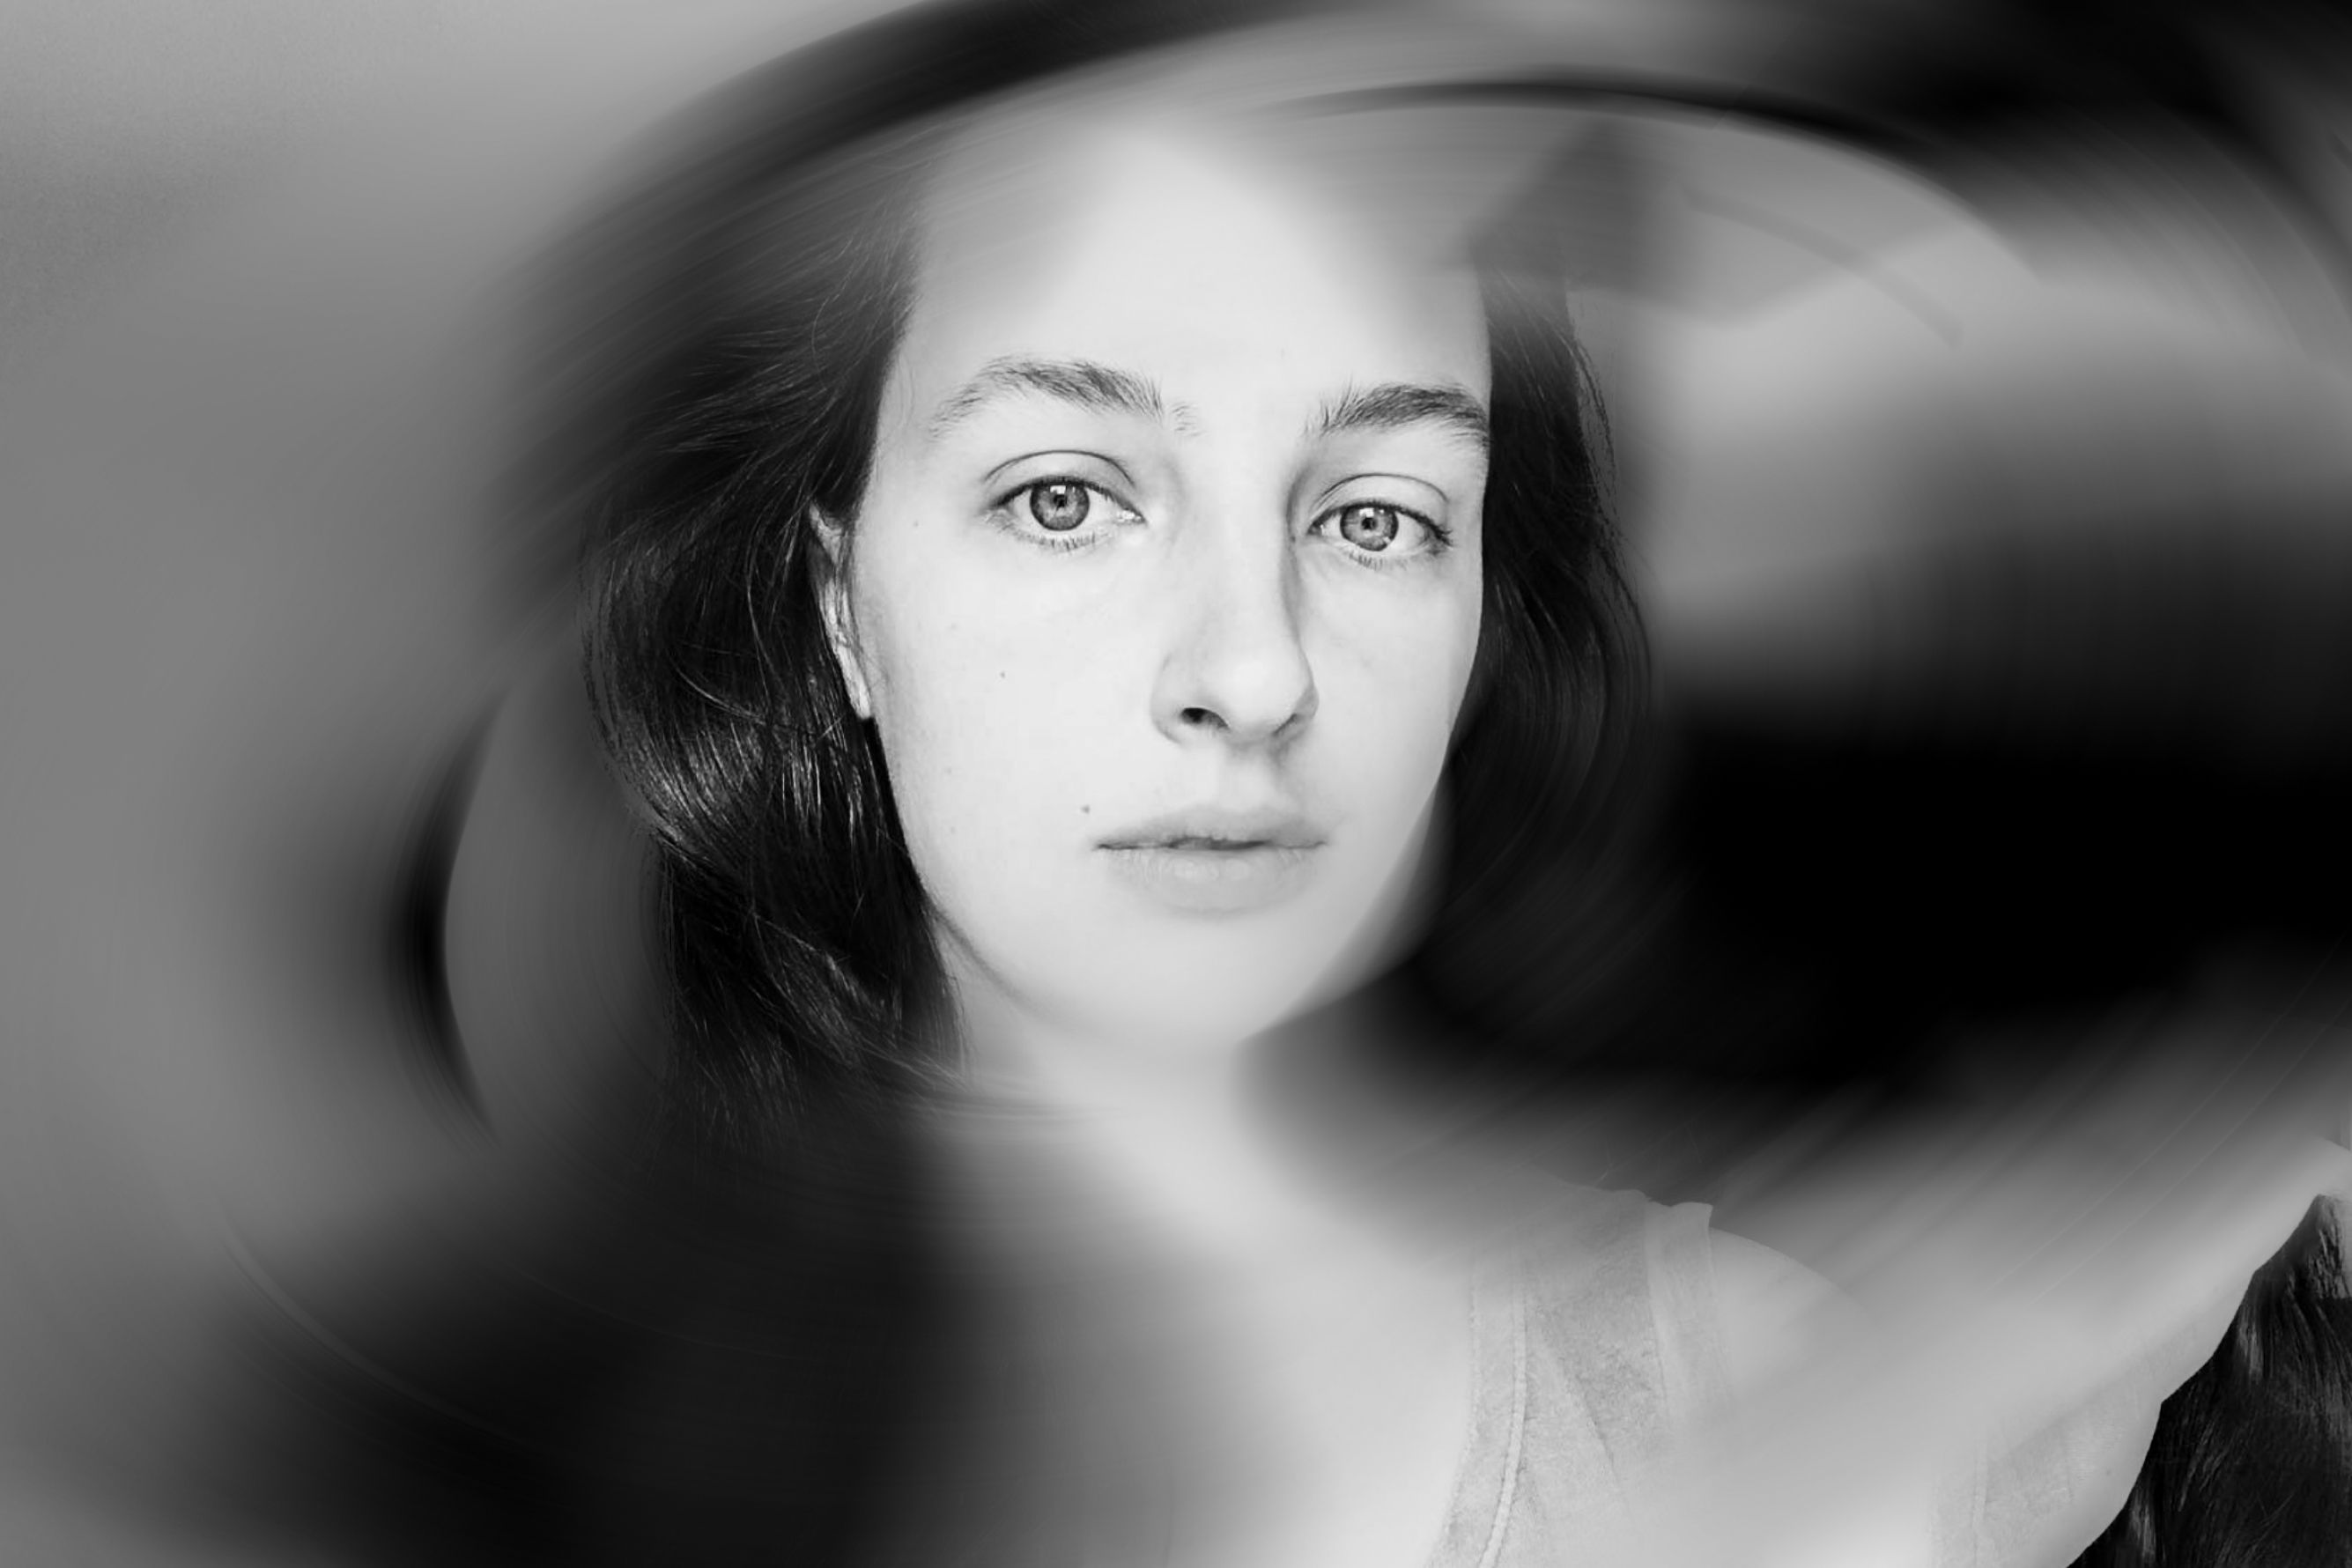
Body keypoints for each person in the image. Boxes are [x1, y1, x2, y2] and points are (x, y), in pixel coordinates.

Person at [515, 3, 2352, 1564]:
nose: (1254, 669)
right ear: (839, 604)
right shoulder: (547, 1438)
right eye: (1064, 495)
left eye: (1378, 518)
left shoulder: (1761, 1414)